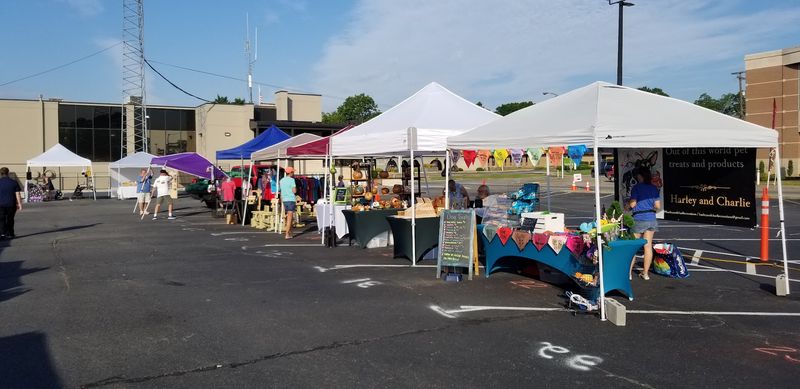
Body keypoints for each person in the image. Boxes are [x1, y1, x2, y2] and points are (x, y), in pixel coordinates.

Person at [628, 167, 661, 280]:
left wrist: (627, 205)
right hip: (651, 219)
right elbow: (658, 206)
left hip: (639, 219)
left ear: (640, 176)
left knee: (633, 247)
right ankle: (645, 273)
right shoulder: (654, 188)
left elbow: (632, 204)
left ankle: (629, 273)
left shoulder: (636, 188)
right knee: (647, 246)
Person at [0, 167, 23, 239]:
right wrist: (19, 204)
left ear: (1, 173)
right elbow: (17, 194)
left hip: (1, 204)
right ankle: (10, 233)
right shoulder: (14, 182)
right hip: (11, 204)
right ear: (8, 173)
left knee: (1, 219)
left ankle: (2, 234)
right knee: (10, 219)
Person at [278, 167, 297, 239]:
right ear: (291, 173)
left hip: (284, 199)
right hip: (290, 199)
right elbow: (294, 191)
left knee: (289, 216)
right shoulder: (292, 180)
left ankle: (289, 232)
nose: (293, 173)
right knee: (290, 216)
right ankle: (287, 233)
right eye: (293, 172)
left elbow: (281, 190)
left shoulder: (282, 180)